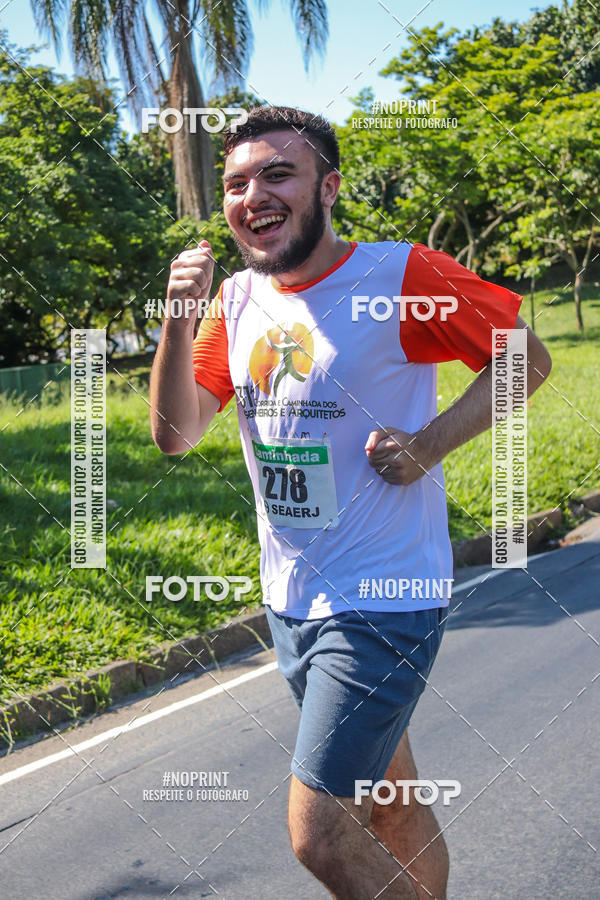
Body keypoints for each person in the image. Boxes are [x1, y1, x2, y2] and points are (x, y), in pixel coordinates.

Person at [150, 105, 552, 899]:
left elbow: (526, 359)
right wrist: (176, 315)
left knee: (321, 833)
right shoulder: (233, 300)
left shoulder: (401, 276)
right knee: (388, 800)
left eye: (277, 173)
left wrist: (431, 443)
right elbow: (174, 432)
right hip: (291, 598)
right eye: (235, 182)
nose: (253, 195)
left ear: (327, 187)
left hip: (383, 600)